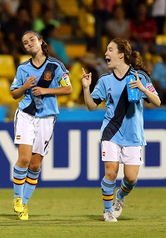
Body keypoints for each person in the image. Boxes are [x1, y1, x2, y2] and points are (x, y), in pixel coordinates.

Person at [80, 38, 161, 222]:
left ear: (121, 54)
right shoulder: (104, 79)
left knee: (131, 178)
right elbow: (92, 106)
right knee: (111, 172)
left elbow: (156, 101)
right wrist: (86, 89)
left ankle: (120, 198)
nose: (106, 53)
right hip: (111, 131)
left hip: (133, 133)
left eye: (110, 50)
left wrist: (142, 88)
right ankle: (108, 211)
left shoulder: (139, 76)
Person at [10, 31, 72, 220]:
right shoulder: (23, 69)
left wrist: (46, 89)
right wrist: (24, 87)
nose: (28, 43)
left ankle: (25, 204)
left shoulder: (55, 65)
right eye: (25, 42)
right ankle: (17, 200)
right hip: (26, 115)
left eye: (31, 39)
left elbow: (68, 88)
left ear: (40, 41)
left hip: (47, 117)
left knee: (35, 165)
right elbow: (14, 94)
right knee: (24, 159)